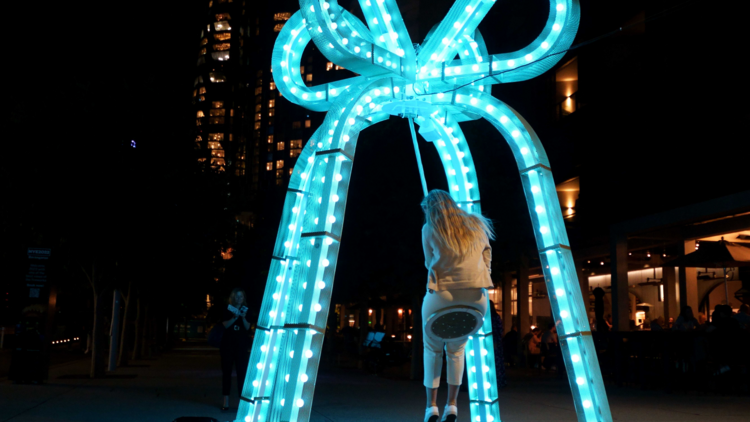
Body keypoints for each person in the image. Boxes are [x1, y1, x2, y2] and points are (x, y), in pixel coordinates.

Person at [420, 190, 494, 422]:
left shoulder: (430, 229)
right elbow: (487, 255)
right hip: (476, 300)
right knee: (457, 350)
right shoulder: (477, 225)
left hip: (442, 297)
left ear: (431, 209)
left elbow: (427, 262)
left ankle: (431, 406)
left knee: (432, 349)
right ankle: (452, 405)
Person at [220, 288, 251, 410]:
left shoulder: (247, 310)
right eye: (237, 297)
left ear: (243, 298)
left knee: (242, 373)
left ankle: (241, 402)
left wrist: (243, 317)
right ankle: (225, 401)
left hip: (241, 345)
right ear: (233, 298)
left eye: (241, 297)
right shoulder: (227, 309)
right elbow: (226, 325)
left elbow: (248, 327)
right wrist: (234, 316)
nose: (239, 299)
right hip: (227, 344)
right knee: (226, 372)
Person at [488, 300, 506, 389]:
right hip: (495, 340)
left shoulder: (486, 317)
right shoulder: (496, 317)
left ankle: (491, 380)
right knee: (497, 362)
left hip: (490, 340)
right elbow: (500, 329)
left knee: (490, 361)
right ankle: (499, 381)